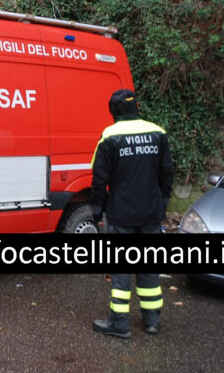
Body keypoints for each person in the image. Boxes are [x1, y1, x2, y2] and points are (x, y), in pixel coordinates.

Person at [90, 89, 175, 338]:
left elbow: (99, 180)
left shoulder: (110, 136)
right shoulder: (157, 132)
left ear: (113, 111)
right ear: (136, 106)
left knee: (121, 270)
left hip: (121, 215)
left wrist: (97, 212)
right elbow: (167, 173)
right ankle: (151, 321)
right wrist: (162, 203)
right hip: (150, 213)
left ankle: (120, 323)